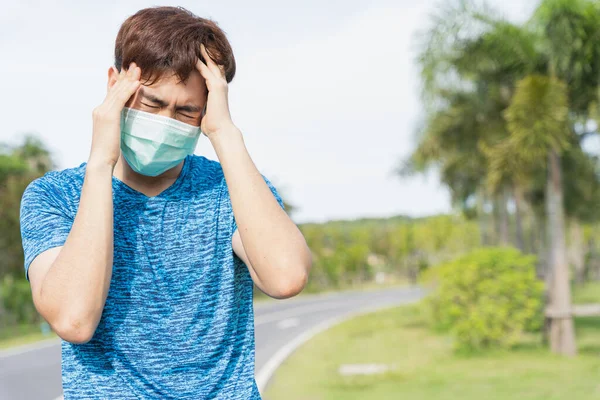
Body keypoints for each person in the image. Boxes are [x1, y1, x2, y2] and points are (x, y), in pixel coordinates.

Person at [19, 6, 312, 399]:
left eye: (186, 111)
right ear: (115, 86)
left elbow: (286, 276)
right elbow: (74, 319)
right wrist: (100, 165)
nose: (164, 124)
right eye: (152, 104)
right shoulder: (55, 196)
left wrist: (224, 133)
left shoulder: (233, 189)